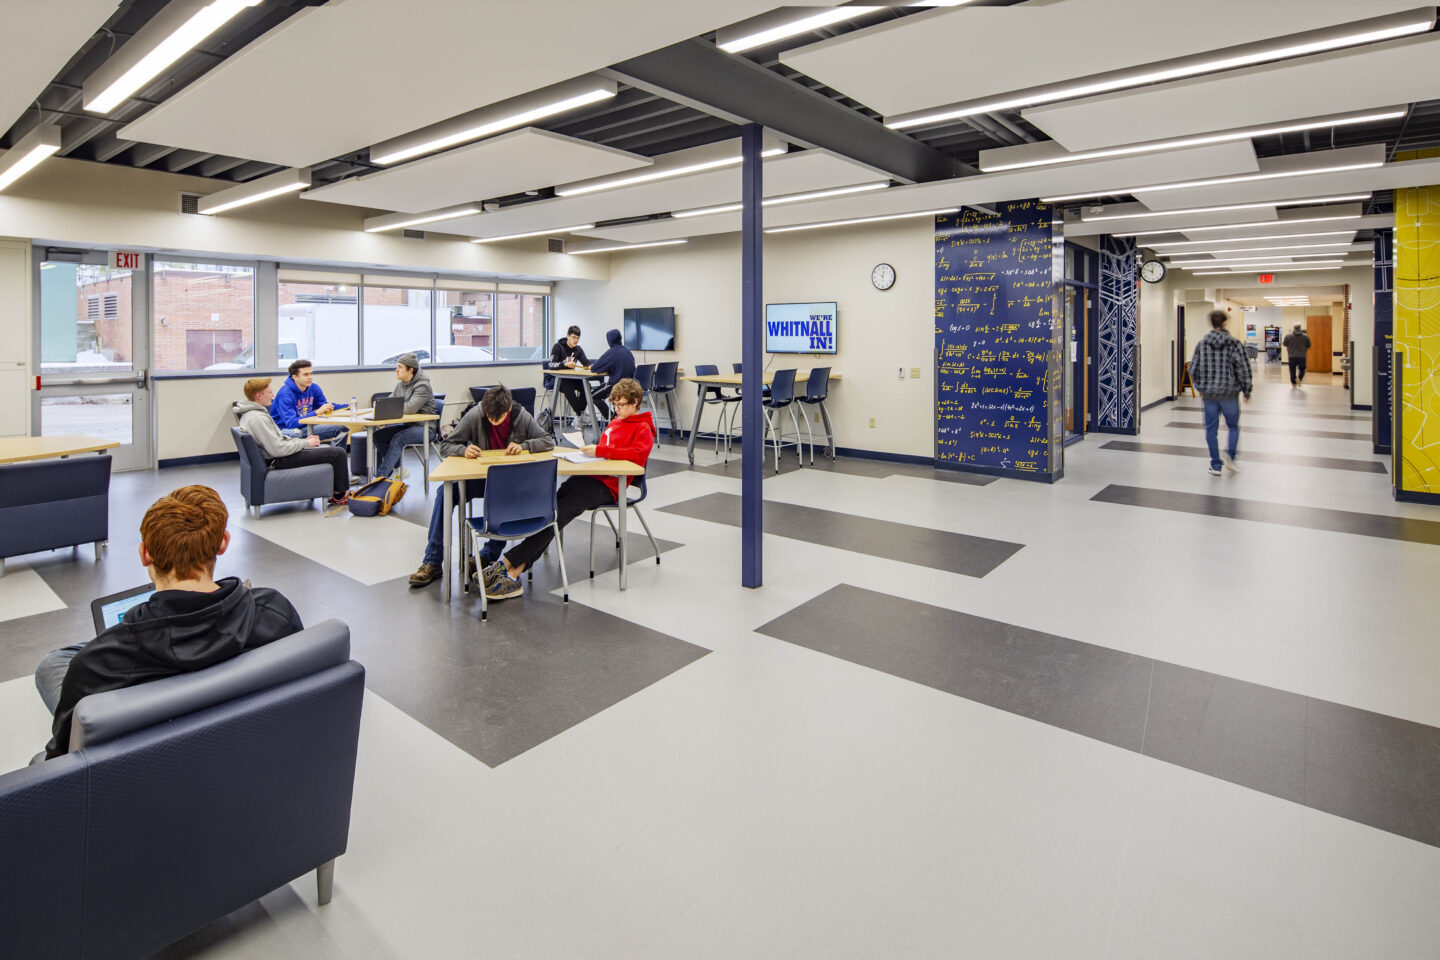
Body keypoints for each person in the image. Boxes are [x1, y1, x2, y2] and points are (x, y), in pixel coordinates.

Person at [33, 485, 304, 759]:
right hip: (243, 749)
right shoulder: (274, 612)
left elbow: (62, 758)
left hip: (143, 767)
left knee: (55, 663)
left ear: (145, 554)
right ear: (223, 542)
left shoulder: (98, 664)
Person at [484, 377, 652, 601]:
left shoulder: (643, 428)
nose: (617, 409)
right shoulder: (615, 423)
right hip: (591, 476)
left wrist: (601, 451)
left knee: (560, 514)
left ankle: (510, 565)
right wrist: (590, 452)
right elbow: (605, 449)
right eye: (615, 405)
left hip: (609, 486)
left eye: (621, 405)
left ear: (635, 403)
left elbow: (638, 458)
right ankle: (515, 566)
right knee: (549, 509)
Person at [408, 384, 555, 587]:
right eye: (490, 417)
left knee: (505, 504)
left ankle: (487, 556)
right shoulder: (476, 414)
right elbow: (446, 446)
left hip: (508, 485)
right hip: (478, 480)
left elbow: (547, 441)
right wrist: (463, 450)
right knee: (444, 493)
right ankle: (432, 561)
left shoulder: (521, 415)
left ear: (508, 408)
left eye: (499, 418)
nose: (493, 422)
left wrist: (524, 446)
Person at [233, 377, 351, 504]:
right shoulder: (258, 419)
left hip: (277, 456)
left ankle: (333, 491)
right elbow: (278, 449)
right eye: (269, 393)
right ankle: (338, 496)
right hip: (280, 460)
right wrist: (305, 443)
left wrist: (301, 441)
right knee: (338, 453)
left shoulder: (251, 415)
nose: (273, 396)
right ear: (258, 396)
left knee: (328, 449)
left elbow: (277, 441)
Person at [1189, 310, 1252, 477]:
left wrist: (1200, 387)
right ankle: (1231, 456)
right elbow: (1243, 369)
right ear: (1224, 323)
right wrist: (1247, 390)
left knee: (1211, 430)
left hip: (1209, 396)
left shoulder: (1202, 344)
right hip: (1229, 394)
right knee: (1233, 427)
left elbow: (1192, 369)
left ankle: (1216, 465)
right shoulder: (1235, 344)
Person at [373, 352, 438, 478]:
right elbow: (388, 403)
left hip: (425, 429)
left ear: (410, 370)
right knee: (378, 436)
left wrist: (388, 411)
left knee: (398, 438)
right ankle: (398, 469)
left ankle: (380, 478)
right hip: (409, 426)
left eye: (400, 367)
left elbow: (410, 408)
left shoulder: (423, 386)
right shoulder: (400, 385)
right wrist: (381, 413)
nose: (396, 370)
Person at [270, 359, 348, 443]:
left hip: (306, 426)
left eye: (311, 373)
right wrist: (317, 412)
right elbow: (291, 424)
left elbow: (324, 406)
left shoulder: (314, 388)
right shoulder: (285, 394)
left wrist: (348, 406)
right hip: (285, 430)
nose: (310, 377)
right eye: (305, 374)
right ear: (294, 377)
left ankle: (336, 454)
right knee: (339, 429)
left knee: (343, 429)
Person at [588, 328, 636, 421]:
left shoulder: (612, 352)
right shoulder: (627, 351)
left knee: (592, 396)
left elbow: (595, 368)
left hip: (617, 386)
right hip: (630, 386)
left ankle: (613, 419)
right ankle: (616, 416)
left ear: (609, 340)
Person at [546, 325, 590, 419]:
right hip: (555, 379)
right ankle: (580, 414)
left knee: (586, 385)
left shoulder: (578, 349)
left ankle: (579, 414)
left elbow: (586, 363)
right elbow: (551, 365)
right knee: (567, 385)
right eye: (574, 337)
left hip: (570, 378)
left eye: (578, 338)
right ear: (568, 336)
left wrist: (592, 367)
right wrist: (564, 364)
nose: (576, 340)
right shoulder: (557, 347)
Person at [1282, 323, 1312, 388]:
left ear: (1294, 328)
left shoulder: (1288, 336)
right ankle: (1299, 379)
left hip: (1292, 356)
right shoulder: (1305, 336)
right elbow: (1309, 345)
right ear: (1300, 328)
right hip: (1302, 356)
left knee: (1292, 369)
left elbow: (1284, 344)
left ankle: (1293, 382)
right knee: (1302, 369)